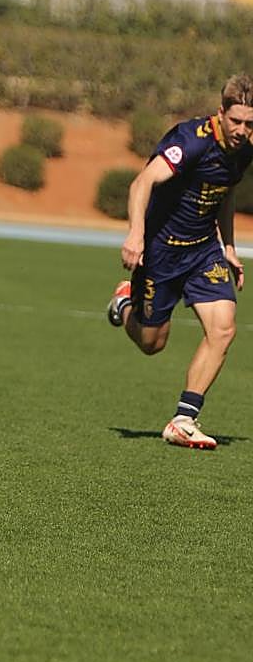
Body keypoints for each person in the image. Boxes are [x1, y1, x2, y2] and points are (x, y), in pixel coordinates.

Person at [106, 74, 253, 450]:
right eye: (235, 121)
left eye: (249, 123)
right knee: (153, 343)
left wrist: (230, 247)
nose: (241, 130)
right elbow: (141, 184)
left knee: (223, 329)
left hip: (203, 250)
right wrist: (136, 235)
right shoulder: (190, 141)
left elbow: (225, 191)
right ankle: (125, 304)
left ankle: (183, 420)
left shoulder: (245, 147)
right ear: (221, 113)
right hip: (161, 252)